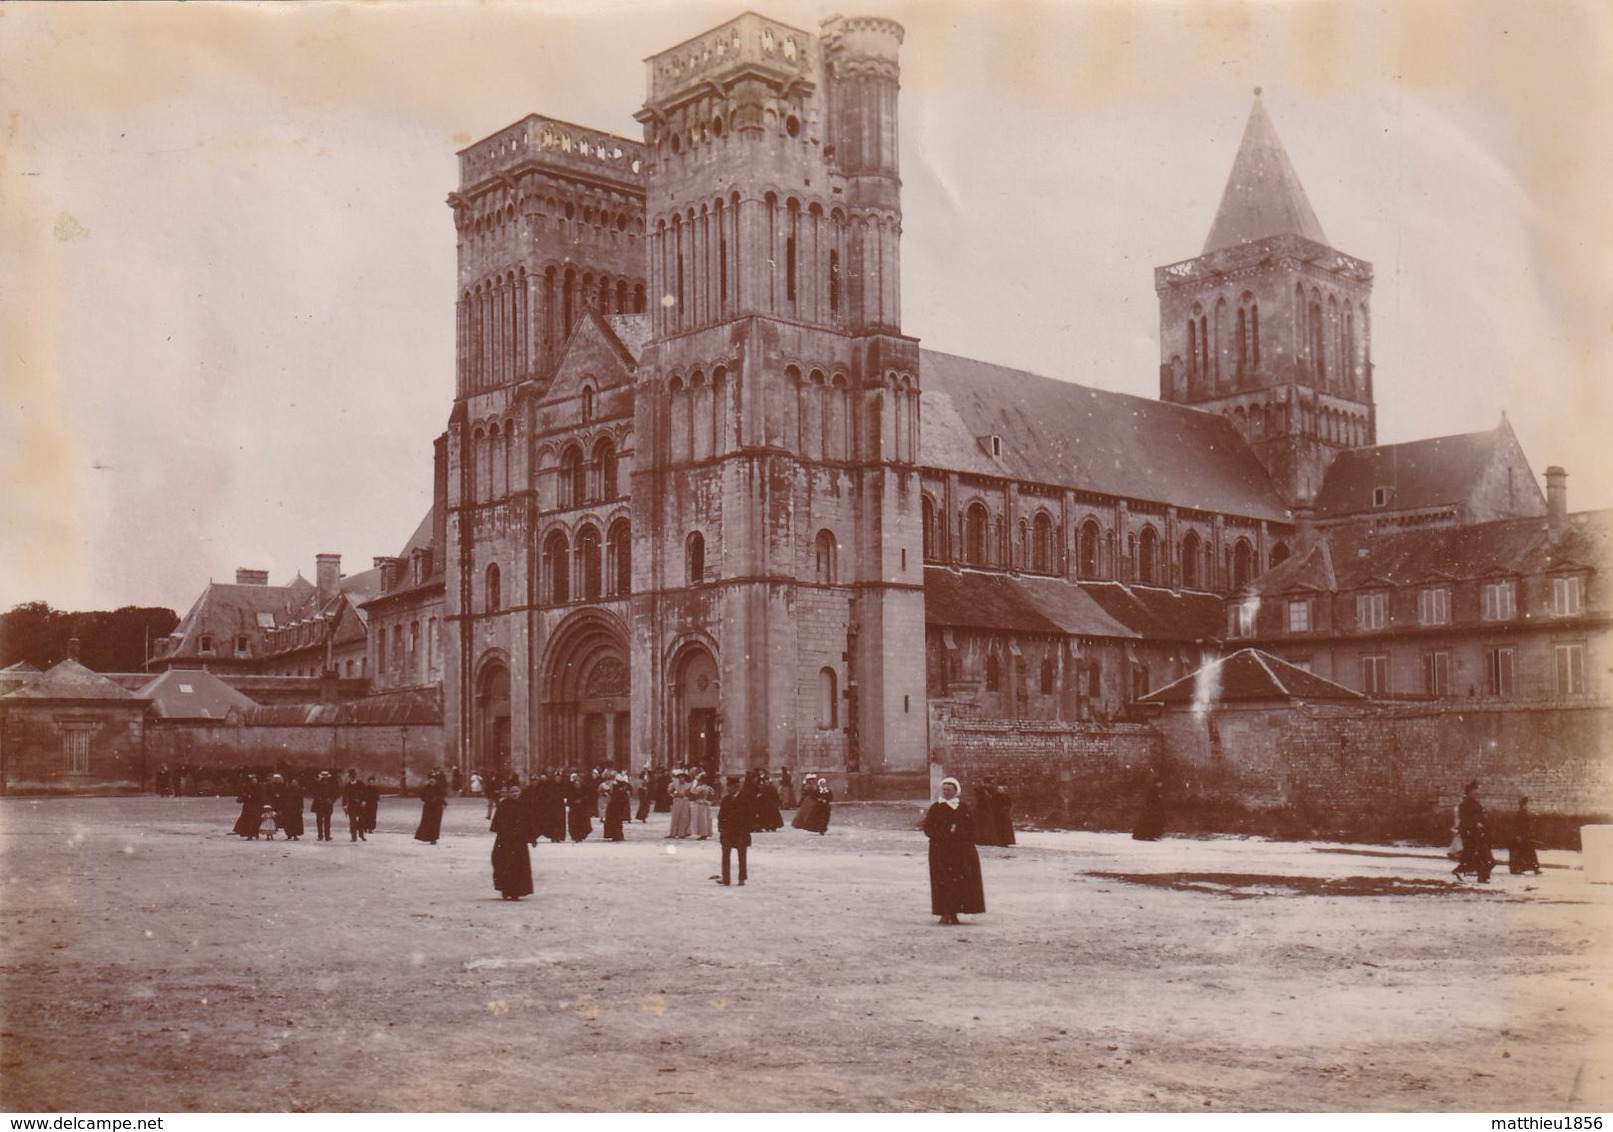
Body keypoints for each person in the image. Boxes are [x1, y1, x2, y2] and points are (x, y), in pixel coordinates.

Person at [923, 776, 986, 925]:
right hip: (941, 851)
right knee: (943, 881)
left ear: (956, 791)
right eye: (944, 790)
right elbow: (928, 829)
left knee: (959, 881)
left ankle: (955, 913)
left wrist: (960, 835)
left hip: (960, 851)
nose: (946, 792)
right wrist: (943, 834)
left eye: (949, 790)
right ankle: (944, 913)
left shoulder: (963, 808)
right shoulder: (936, 807)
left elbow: (971, 827)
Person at [490, 784, 533, 901]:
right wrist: (506, 831)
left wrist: (531, 837)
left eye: (517, 791)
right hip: (505, 841)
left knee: (518, 865)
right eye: (512, 791)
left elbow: (528, 822)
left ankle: (516, 891)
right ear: (508, 793)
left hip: (519, 841)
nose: (514, 794)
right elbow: (498, 822)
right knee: (504, 864)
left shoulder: (523, 805)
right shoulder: (503, 806)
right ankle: (505, 889)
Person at [717, 774, 758, 886]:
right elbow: (721, 815)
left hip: (741, 831)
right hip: (727, 831)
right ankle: (726, 878)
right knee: (725, 855)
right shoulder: (726, 800)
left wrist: (748, 829)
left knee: (742, 855)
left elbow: (751, 815)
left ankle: (742, 878)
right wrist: (721, 828)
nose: (729, 789)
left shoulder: (745, 799)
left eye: (731, 787)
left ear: (736, 787)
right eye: (728, 787)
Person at [1453, 780, 1495, 883]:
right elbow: (1465, 820)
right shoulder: (1464, 805)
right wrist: (1475, 824)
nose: (1478, 793)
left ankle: (1467, 872)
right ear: (1470, 791)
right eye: (1476, 790)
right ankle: (1481, 877)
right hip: (1472, 835)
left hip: (1480, 835)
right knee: (1484, 858)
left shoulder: (1476, 804)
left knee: (1484, 859)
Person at [1508, 795, 1542, 875]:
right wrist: (1518, 835)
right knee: (1523, 853)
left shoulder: (1524, 813)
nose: (1528, 806)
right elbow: (1517, 825)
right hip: (1522, 836)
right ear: (1523, 805)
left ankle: (1533, 868)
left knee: (1528, 853)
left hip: (1526, 836)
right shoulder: (1520, 813)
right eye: (1527, 804)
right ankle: (1521, 868)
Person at [414, 769, 448, 844]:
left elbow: (421, 795)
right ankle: (432, 838)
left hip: (430, 804)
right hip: (435, 805)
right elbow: (442, 795)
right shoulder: (439, 785)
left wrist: (427, 799)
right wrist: (442, 802)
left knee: (428, 821)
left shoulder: (427, 785)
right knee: (434, 822)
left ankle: (426, 836)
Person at [1132, 774, 1166, 841]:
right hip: (1152, 809)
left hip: (1151, 809)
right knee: (1151, 822)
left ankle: (1148, 835)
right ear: (1157, 783)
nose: (1161, 784)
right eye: (1160, 783)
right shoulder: (1153, 789)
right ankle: (1150, 836)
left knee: (1148, 822)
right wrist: (1158, 799)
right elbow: (1151, 799)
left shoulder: (1154, 789)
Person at [274, 774, 305, 842]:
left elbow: (301, 799)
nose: (294, 783)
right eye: (293, 782)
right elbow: (283, 799)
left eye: (295, 782)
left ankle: (295, 835)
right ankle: (289, 834)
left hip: (296, 808)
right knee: (288, 822)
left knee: (296, 822)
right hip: (288, 809)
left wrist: (301, 807)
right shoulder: (287, 790)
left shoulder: (299, 790)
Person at [565, 772, 594, 842]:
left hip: (582, 810)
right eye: (576, 784)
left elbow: (587, 798)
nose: (577, 785)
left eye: (578, 784)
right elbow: (569, 800)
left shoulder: (584, 791)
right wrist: (573, 801)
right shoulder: (571, 790)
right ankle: (575, 836)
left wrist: (581, 801)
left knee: (583, 824)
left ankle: (581, 835)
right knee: (573, 823)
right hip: (574, 810)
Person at [310, 771, 337, 841]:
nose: (325, 778)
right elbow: (313, 792)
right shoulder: (317, 784)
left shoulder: (331, 785)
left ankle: (327, 836)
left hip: (328, 805)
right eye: (323, 776)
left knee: (327, 821)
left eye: (326, 776)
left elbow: (335, 794)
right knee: (319, 821)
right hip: (319, 805)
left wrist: (331, 800)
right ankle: (320, 835)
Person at [604, 773, 632, 841]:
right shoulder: (616, 787)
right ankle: (616, 835)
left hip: (616, 807)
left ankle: (616, 835)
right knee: (616, 822)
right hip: (614, 807)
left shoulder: (617, 787)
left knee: (616, 822)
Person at [667, 770, 694, 839]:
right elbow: (670, 792)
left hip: (685, 802)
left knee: (684, 817)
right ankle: (672, 833)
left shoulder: (688, 786)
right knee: (675, 817)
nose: (682, 779)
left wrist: (687, 796)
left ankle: (682, 833)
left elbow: (692, 794)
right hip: (677, 801)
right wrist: (675, 795)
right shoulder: (674, 785)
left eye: (683, 777)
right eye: (680, 777)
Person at [342, 770, 366, 842]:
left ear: (355, 776)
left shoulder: (360, 784)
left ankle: (361, 835)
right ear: (349, 777)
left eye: (353, 776)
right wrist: (344, 805)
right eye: (351, 776)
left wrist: (364, 801)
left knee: (361, 821)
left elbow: (365, 794)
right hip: (351, 806)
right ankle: (353, 837)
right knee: (352, 821)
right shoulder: (347, 786)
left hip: (360, 805)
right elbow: (344, 796)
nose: (352, 777)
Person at [691, 771, 716, 840]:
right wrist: (709, 802)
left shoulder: (701, 788)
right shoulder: (709, 788)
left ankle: (703, 834)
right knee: (706, 819)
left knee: (702, 820)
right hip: (706, 804)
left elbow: (693, 792)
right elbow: (712, 796)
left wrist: (694, 785)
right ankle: (706, 833)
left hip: (701, 804)